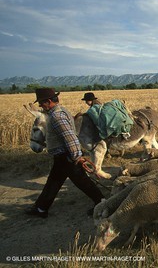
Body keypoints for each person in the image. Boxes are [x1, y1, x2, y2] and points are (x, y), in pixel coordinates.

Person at [25, 88, 104, 218]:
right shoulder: (60, 111)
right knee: (53, 181)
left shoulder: (57, 116)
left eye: (41, 102)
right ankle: (41, 208)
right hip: (62, 156)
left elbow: (70, 137)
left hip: (66, 157)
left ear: (49, 101)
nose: (40, 105)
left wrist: (76, 156)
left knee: (83, 182)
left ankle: (102, 203)